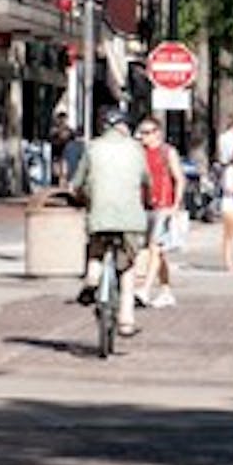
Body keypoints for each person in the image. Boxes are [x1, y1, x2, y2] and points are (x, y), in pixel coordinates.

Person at [72, 107, 150, 337]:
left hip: (100, 214)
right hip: (130, 217)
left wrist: (81, 196)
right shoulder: (136, 149)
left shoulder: (93, 147)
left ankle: (92, 279)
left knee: (96, 247)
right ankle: (126, 320)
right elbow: (147, 180)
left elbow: (76, 182)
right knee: (127, 266)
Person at [133, 116, 184, 309]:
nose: (143, 137)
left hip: (163, 205)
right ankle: (166, 290)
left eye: (147, 132)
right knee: (158, 252)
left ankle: (144, 290)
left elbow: (178, 178)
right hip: (143, 205)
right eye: (141, 132)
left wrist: (175, 205)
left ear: (157, 133)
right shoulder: (139, 153)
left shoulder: (167, 152)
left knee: (155, 247)